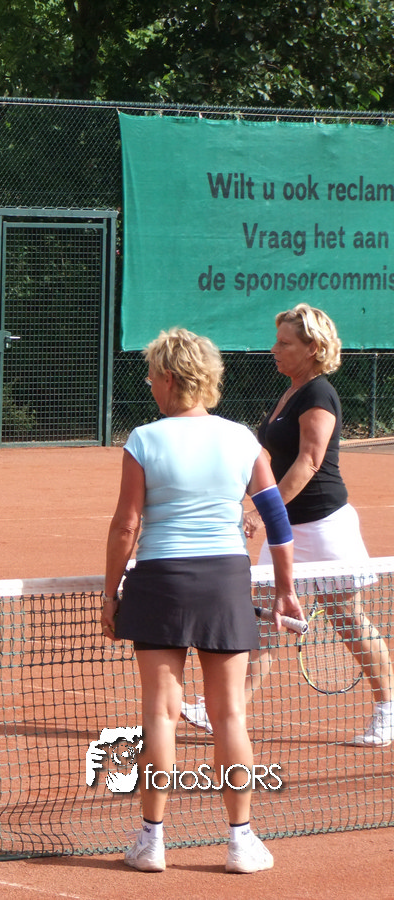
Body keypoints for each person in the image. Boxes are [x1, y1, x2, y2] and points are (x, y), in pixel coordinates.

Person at [102, 327, 300, 875]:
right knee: (230, 713)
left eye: (151, 376)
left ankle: (151, 842)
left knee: (160, 714)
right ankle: (241, 842)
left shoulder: (143, 439)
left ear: (170, 378)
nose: (149, 385)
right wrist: (285, 590)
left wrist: (110, 594)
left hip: (159, 581)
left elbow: (127, 525)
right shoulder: (241, 439)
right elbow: (276, 520)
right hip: (224, 582)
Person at [181, 304, 393, 747]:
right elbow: (270, 459)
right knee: (259, 622)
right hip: (286, 530)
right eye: (276, 341)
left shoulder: (319, 395)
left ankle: (387, 709)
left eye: (285, 343)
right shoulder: (291, 392)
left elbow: (309, 462)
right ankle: (224, 711)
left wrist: (262, 511)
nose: (274, 349)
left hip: (325, 526)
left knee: (348, 620)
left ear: (312, 348)